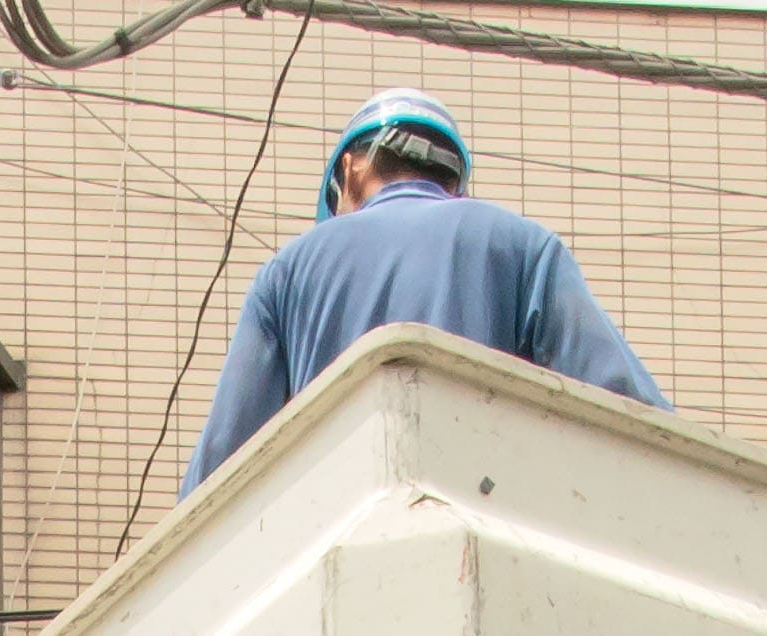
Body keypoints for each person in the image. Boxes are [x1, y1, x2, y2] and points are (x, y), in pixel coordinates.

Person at [180, 91, 666, 489]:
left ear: (350, 170)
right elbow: (626, 401)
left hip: (330, 538)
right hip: (485, 522)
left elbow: (224, 459)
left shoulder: (286, 271)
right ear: (453, 181)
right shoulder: (523, 247)